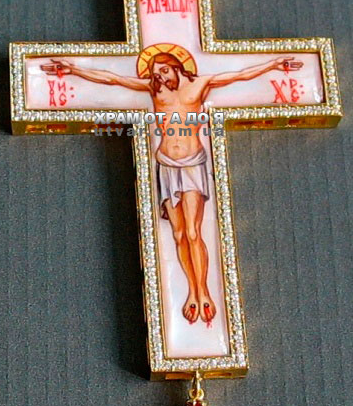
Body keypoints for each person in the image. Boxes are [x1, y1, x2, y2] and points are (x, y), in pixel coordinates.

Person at [42, 45, 301, 327]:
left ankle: (203, 291)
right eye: (156, 74)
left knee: (193, 232)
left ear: (177, 66)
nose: (161, 78)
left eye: (165, 71)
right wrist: (74, 69)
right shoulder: (154, 90)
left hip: (192, 164)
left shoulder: (201, 84)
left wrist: (273, 64)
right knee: (178, 235)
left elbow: (240, 75)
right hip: (166, 163)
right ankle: (191, 291)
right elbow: (112, 79)